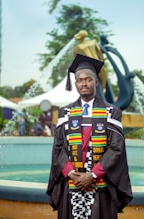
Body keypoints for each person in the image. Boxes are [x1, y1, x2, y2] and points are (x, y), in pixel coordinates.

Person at [47, 54, 132, 219]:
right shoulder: (65, 113)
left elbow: (116, 148)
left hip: (100, 185)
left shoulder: (111, 112)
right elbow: (58, 148)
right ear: (76, 83)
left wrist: (92, 175)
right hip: (71, 184)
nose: (83, 83)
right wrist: (71, 173)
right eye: (79, 80)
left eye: (88, 79)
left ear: (96, 82)